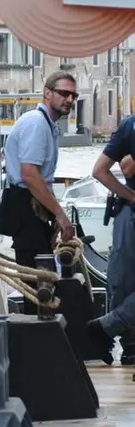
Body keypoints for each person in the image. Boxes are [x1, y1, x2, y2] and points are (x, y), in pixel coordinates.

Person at [0, 71, 77, 317]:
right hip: (24, 206)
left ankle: (40, 337)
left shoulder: (47, 126)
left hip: (32, 207)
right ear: (48, 93)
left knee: (41, 278)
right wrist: (61, 216)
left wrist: (52, 216)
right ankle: (36, 342)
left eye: (73, 95)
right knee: (36, 282)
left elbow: (42, 177)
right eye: (64, 93)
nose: (70, 100)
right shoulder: (36, 123)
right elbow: (30, 175)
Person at [86, 118, 135, 362]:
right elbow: (123, 168)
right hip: (130, 209)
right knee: (123, 280)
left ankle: (111, 331)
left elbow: (102, 170)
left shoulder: (131, 125)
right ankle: (124, 341)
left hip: (129, 209)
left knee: (123, 280)